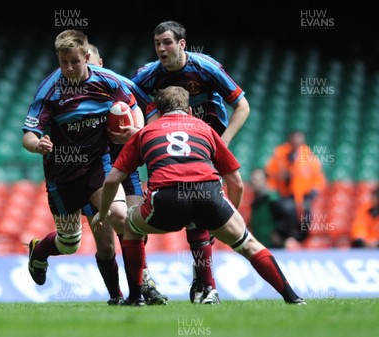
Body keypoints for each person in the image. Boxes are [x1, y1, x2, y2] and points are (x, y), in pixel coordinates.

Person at [94, 86, 305, 305]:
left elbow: (111, 180)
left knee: (131, 226)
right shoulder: (203, 128)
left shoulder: (146, 132)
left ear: (156, 109)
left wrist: (102, 213)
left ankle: (136, 297)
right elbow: (236, 182)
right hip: (208, 195)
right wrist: (228, 214)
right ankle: (293, 297)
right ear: (190, 111)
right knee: (249, 244)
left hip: (167, 199)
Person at [130, 20, 251, 304]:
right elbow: (127, 100)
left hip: (204, 148)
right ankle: (148, 283)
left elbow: (242, 105)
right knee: (182, 213)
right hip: (168, 150)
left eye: (167, 42)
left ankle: (205, 284)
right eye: (157, 43)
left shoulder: (206, 68)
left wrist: (223, 142)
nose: (161, 48)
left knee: (200, 215)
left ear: (182, 44)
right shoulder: (147, 76)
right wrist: (149, 126)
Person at [22, 30, 142, 305]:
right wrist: (37, 144)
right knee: (69, 243)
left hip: (98, 166)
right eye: (63, 62)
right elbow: (28, 135)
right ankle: (39, 251)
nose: (69, 68)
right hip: (62, 175)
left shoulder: (108, 81)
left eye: (74, 61)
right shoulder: (50, 90)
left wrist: (136, 130)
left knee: (120, 217)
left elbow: (133, 103)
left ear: (87, 57)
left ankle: (131, 295)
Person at [82, 43, 168, 305]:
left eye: (89, 59)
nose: (86, 65)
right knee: (106, 243)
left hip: (125, 167)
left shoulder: (121, 86)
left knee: (133, 227)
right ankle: (116, 295)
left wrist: (139, 134)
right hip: (92, 171)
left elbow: (152, 114)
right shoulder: (71, 95)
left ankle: (143, 286)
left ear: (100, 61)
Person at [264, 130, 326, 248]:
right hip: (284, 194)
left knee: (304, 221)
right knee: (286, 217)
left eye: (300, 139)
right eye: (295, 138)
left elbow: (318, 177)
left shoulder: (309, 156)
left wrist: (314, 191)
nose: (297, 142)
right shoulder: (280, 154)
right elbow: (271, 173)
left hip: (303, 196)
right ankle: (283, 240)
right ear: (290, 140)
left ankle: (295, 242)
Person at [248, 168, 294, 248]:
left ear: (265, 180)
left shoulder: (272, 198)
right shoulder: (255, 202)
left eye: (257, 180)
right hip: (260, 245)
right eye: (253, 180)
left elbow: (287, 218)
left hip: (274, 247)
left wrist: (279, 233)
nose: (254, 182)